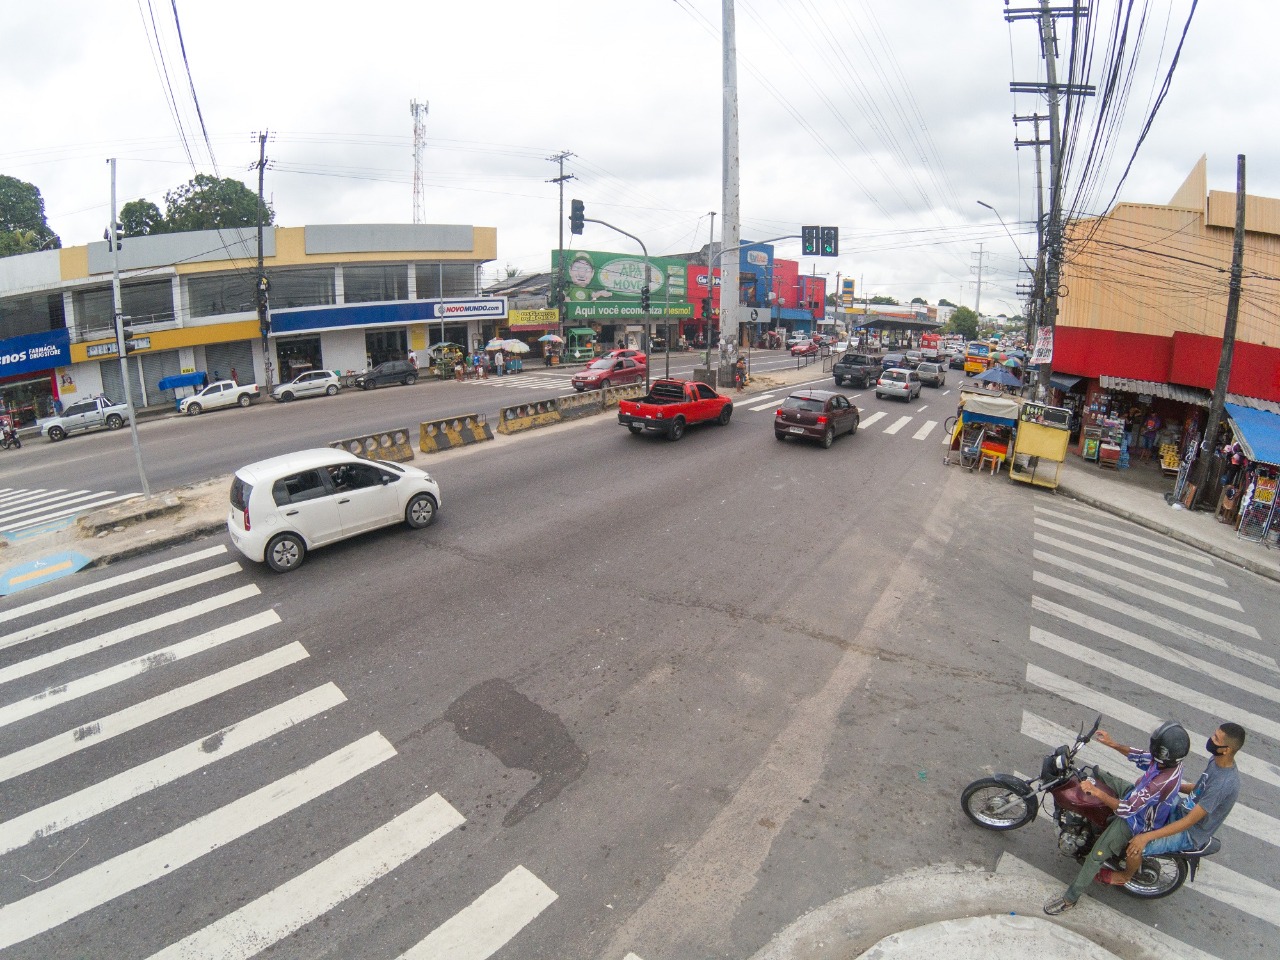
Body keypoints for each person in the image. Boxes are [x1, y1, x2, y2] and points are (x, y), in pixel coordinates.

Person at [1044, 721, 1190, 915]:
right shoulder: (1168, 762)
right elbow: (1140, 756)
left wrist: (1097, 792)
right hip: (1135, 793)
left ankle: (1070, 899)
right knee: (1094, 773)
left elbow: (1126, 810)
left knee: (1095, 858)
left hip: (1137, 822)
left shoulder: (1161, 783)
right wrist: (1112, 744)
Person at [1115, 722, 1245, 882]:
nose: (1211, 739)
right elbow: (1198, 788)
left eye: (1216, 739)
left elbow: (1189, 821)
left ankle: (1125, 876)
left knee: (1135, 848)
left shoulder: (1223, 783)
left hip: (1190, 832)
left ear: (1227, 750)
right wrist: (1170, 786)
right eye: (1214, 734)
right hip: (1182, 809)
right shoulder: (1217, 761)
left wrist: (1146, 837)